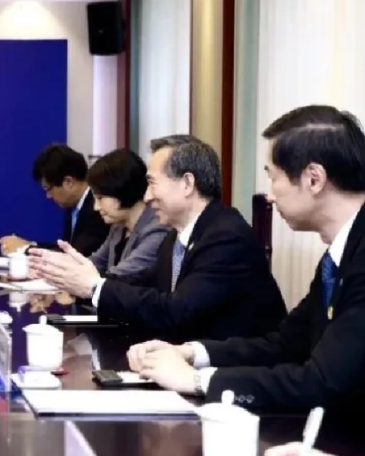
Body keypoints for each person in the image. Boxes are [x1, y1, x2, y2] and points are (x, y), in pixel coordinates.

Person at [128, 106, 365, 411]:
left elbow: (322, 383)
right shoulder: (341, 255)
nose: (270, 196)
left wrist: (199, 381)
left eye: (273, 178)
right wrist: (191, 353)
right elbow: (284, 344)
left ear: (314, 179)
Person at [29, 135, 286, 342]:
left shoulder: (225, 237)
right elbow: (142, 283)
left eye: (152, 184)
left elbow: (177, 310)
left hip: (236, 376)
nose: (147, 197)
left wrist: (95, 287)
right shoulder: (177, 236)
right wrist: (77, 284)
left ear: (187, 184)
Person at [0, 144, 109, 257]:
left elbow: (75, 255)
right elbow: (64, 249)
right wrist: (29, 244)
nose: (48, 196)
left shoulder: (98, 209)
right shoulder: (73, 206)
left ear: (68, 182)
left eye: (48, 189)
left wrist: (24, 248)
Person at [84, 148, 168, 277]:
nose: (96, 207)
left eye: (100, 198)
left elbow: (121, 275)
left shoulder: (157, 230)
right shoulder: (118, 226)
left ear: (121, 190)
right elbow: (97, 261)